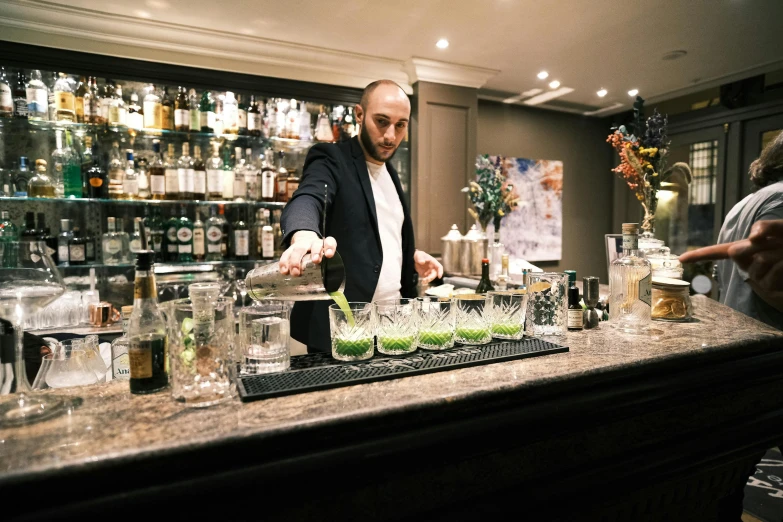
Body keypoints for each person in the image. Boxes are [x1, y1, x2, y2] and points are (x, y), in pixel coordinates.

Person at [278, 80, 443, 352]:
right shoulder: (332, 158)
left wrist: (408, 256)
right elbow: (308, 196)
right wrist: (304, 233)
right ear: (359, 115)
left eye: (401, 125)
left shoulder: (390, 173)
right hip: (342, 329)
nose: (391, 135)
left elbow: (374, 233)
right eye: (382, 121)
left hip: (393, 326)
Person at [680, 132, 783, 329]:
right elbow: (770, 284)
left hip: (736, 336)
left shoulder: (742, 204)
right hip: (768, 345)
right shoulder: (780, 199)